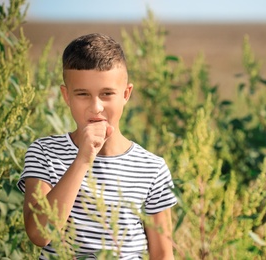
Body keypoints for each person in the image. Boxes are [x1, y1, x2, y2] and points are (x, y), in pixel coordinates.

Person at [17, 33, 177, 259]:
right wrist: (82, 160)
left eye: (107, 94)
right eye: (82, 94)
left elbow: (162, 254)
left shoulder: (153, 168)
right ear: (66, 96)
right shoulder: (44, 153)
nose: (96, 107)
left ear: (126, 94)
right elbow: (39, 234)